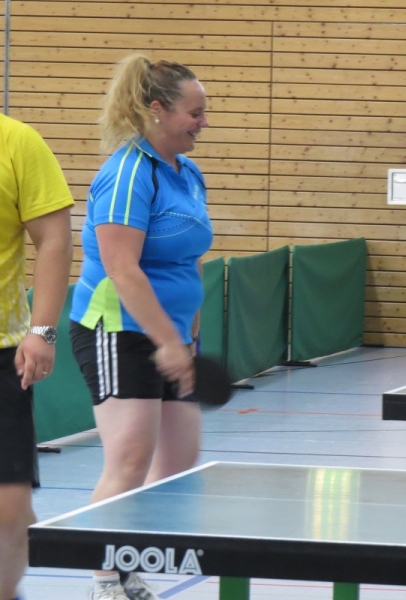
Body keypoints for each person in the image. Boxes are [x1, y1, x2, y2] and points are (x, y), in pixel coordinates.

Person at [69, 54, 212, 600]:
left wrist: (189, 335)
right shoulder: (129, 172)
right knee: (129, 460)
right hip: (118, 329)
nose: (203, 123)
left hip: (172, 336)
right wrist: (167, 341)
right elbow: (122, 269)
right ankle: (106, 579)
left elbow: (192, 258)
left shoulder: (188, 173)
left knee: (177, 459)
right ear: (157, 109)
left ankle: (126, 557)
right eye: (194, 113)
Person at [0, 114, 74, 600]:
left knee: (9, 510)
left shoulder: (17, 142)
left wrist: (42, 331)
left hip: (2, 352)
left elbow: (54, 238)